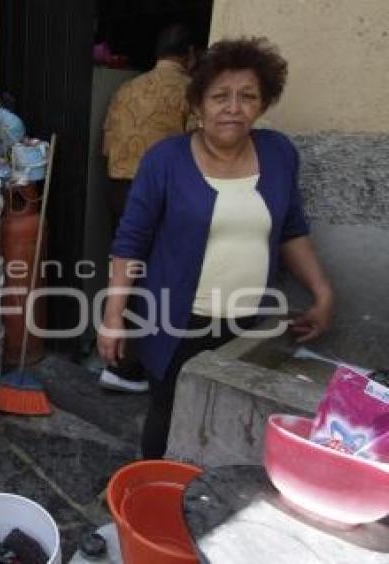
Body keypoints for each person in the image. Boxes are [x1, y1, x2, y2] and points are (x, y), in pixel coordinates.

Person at [98, 37, 334, 459]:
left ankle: (202, 500)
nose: (233, 107)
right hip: (175, 321)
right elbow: (130, 242)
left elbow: (291, 229)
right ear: (198, 103)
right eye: (220, 96)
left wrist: (322, 292)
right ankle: (143, 506)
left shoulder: (278, 153)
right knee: (166, 416)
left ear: (262, 105)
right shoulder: (164, 161)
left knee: (228, 420)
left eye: (248, 97)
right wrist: (113, 317)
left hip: (246, 323)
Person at [98, 24, 196, 393]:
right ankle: (131, 366)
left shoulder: (126, 89)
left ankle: (116, 360)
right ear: (189, 55)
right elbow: (197, 154)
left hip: (118, 189)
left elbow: (107, 148)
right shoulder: (192, 92)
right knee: (154, 280)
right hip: (162, 194)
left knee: (125, 273)